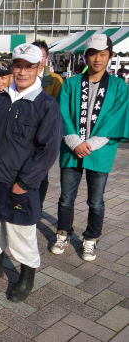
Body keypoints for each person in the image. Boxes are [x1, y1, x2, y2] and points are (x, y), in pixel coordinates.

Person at [0, 44, 62, 302]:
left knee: (21, 232)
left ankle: (26, 278)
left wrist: (25, 182)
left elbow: (48, 150)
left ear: (38, 68)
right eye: (18, 66)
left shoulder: (46, 105)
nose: (22, 72)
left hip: (22, 185)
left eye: (29, 67)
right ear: (12, 68)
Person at [51, 34, 129, 261]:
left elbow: (116, 118)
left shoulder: (118, 86)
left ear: (110, 56)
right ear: (85, 57)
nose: (97, 59)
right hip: (71, 149)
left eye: (103, 54)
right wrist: (75, 142)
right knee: (66, 197)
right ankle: (63, 232)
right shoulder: (71, 84)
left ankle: (91, 239)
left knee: (96, 200)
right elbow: (62, 113)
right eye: (92, 54)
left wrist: (91, 144)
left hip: (100, 151)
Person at [33, 40, 64, 209]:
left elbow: (59, 109)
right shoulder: (20, 77)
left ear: (46, 58)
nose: (38, 59)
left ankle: (37, 207)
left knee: (41, 173)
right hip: (23, 135)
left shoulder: (55, 80)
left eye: (42, 56)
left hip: (44, 135)